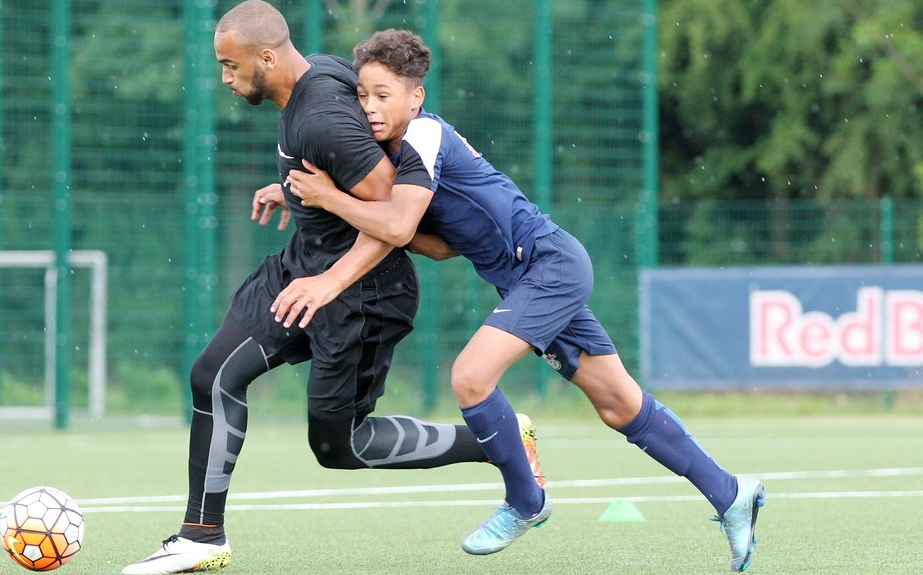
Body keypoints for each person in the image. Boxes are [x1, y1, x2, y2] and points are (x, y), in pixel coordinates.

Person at [283, 29, 766, 571]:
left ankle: (525, 501)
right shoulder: (391, 155)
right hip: (529, 278)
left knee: (469, 377)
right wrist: (303, 197)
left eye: (382, 94)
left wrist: (328, 198)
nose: (369, 107)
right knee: (618, 405)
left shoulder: (423, 136)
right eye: (362, 96)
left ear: (415, 97)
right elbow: (437, 246)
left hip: (547, 265)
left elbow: (396, 225)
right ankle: (731, 493)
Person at [120, 5, 529, 574]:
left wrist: (329, 246)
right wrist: (293, 190)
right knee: (213, 375)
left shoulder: (321, 118)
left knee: (341, 448)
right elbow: (354, 164)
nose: (225, 79)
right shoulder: (325, 74)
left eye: (229, 66)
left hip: (362, 296)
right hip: (299, 270)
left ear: (266, 58)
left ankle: (498, 441)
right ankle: (201, 534)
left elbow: (392, 210)